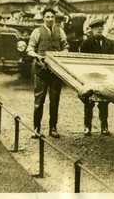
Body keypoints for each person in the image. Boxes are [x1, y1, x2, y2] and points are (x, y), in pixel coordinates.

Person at [27, 8, 69, 139]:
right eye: (48, 17)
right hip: (41, 70)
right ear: (43, 18)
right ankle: (36, 129)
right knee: (39, 101)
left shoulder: (60, 31)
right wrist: (37, 56)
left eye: (52, 17)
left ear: (54, 18)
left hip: (55, 72)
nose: (50, 19)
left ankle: (53, 128)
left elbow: (66, 47)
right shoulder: (37, 31)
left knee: (55, 100)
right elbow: (29, 48)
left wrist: (61, 54)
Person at [80, 19, 114, 136]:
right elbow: (82, 61)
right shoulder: (86, 43)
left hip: (104, 77)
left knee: (104, 102)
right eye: (97, 28)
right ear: (92, 29)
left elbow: (112, 60)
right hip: (90, 76)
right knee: (89, 102)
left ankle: (104, 126)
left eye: (101, 27)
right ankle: (87, 126)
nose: (99, 29)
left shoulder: (109, 43)